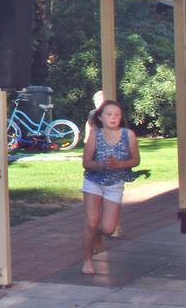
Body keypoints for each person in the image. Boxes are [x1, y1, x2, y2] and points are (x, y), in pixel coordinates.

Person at [81, 100, 140, 275]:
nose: (113, 118)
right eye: (109, 114)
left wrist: (120, 164)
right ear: (100, 117)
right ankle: (87, 260)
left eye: (117, 114)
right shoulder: (95, 134)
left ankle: (97, 234)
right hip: (93, 182)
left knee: (108, 228)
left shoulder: (128, 135)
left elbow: (136, 160)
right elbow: (86, 163)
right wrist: (100, 165)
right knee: (91, 222)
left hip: (115, 183)